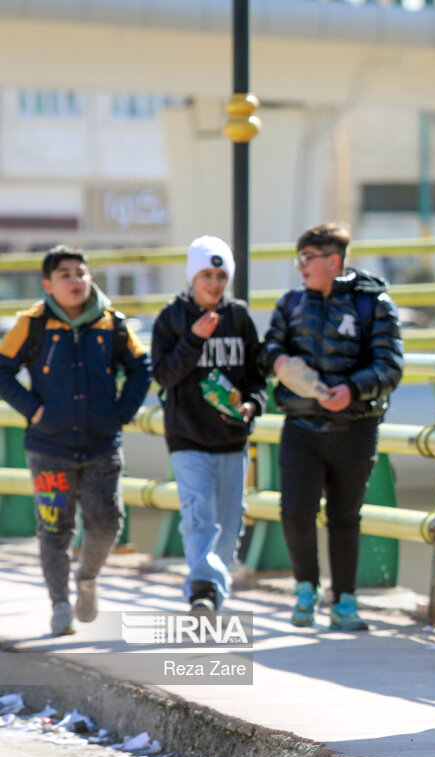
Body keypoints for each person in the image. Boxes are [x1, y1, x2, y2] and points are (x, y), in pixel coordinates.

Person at [259, 224, 404, 631]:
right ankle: (305, 588)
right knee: (295, 511)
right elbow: (268, 347)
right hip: (301, 427)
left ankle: (344, 600)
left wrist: (351, 389)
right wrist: (279, 363)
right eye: (299, 258)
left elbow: (390, 366)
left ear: (334, 261)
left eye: (308, 258)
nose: (301, 266)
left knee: (345, 516)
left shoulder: (373, 305)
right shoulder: (290, 304)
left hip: (354, 427)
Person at [0, 246, 150, 635]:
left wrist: (122, 412)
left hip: (102, 445)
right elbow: (1, 370)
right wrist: (33, 410)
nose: (75, 280)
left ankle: (87, 578)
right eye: (65, 274)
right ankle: (60, 604)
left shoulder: (112, 324)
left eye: (81, 273)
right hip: (49, 447)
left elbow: (141, 367)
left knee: (107, 523)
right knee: (54, 530)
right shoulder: (31, 324)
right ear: (48, 284)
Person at [151, 236, 267, 612]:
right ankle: (203, 591)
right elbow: (164, 376)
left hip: (232, 440)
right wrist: (194, 339)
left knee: (229, 528)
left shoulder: (239, 317)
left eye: (221, 275)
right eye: (206, 274)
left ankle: (211, 586)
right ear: (192, 276)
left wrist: (251, 405)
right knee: (200, 519)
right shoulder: (172, 318)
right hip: (187, 438)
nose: (215, 283)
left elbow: (257, 377)